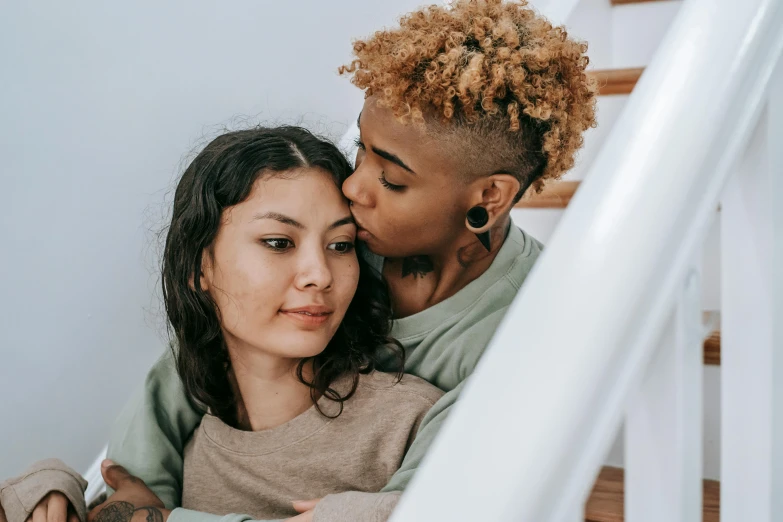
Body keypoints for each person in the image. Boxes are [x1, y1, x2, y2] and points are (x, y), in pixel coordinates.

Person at [26, 1, 598, 521]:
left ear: (488, 199)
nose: (353, 188)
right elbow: (204, 352)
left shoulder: (529, 326)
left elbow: (423, 506)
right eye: (360, 152)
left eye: (392, 179)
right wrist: (127, 489)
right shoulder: (351, 243)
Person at [0, 127, 443, 522]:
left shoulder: (414, 422)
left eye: (340, 245)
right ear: (199, 269)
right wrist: (43, 487)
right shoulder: (185, 450)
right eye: (278, 242)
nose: (320, 274)